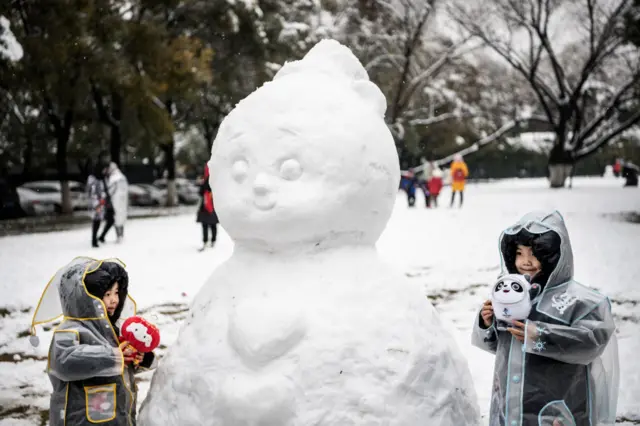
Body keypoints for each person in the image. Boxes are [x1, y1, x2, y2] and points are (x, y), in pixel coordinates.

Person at [472, 211, 619, 426]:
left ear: (553, 256)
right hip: (511, 405)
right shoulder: (511, 293)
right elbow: (501, 345)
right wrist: (487, 323)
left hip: (557, 408)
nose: (526, 262)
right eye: (519, 253)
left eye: (535, 254)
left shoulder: (579, 302)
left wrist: (540, 336)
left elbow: (591, 342)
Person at [33, 258, 156, 425]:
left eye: (117, 292)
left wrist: (141, 358)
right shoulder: (70, 330)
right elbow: (65, 362)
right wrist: (113, 357)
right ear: (85, 299)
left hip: (117, 418)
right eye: (107, 294)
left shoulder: (114, 328)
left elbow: (123, 365)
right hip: (80, 419)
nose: (114, 300)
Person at [100, 162, 129, 243]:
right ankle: (121, 235)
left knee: (116, 218)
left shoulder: (114, 178)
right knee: (120, 218)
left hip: (115, 202)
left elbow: (110, 191)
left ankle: (119, 236)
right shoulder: (122, 176)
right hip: (122, 202)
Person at [197, 164, 218, 251]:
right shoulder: (216, 181)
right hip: (213, 206)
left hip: (205, 207)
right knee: (213, 224)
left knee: (205, 225)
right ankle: (213, 241)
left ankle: (206, 241)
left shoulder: (205, 181)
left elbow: (200, 193)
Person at [87, 163, 107, 248]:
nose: (104, 171)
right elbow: (93, 194)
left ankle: (94, 240)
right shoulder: (94, 181)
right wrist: (97, 205)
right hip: (96, 205)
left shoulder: (99, 179)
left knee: (97, 222)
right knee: (96, 222)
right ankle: (94, 241)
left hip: (99, 204)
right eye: (103, 169)